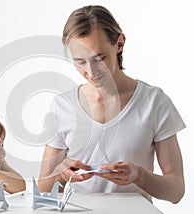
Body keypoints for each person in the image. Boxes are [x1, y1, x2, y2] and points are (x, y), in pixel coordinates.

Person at [38, 5, 185, 204]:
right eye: (80, 61)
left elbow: (176, 191)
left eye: (99, 58)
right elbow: (43, 189)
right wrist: (60, 176)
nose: (91, 71)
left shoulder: (154, 103)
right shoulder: (62, 106)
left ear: (120, 43)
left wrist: (139, 176)